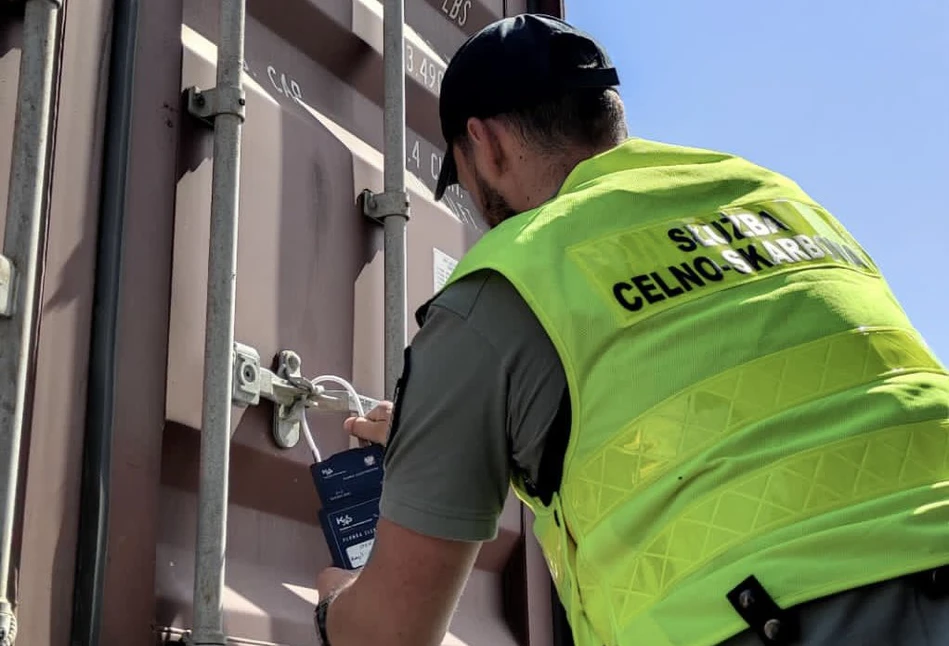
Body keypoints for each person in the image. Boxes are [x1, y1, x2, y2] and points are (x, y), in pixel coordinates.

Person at [313, 13, 949, 646]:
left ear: (487, 145)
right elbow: (732, 429)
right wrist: (465, 441)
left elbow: (390, 635)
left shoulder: (508, 281)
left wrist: (336, 605)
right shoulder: (778, 200)